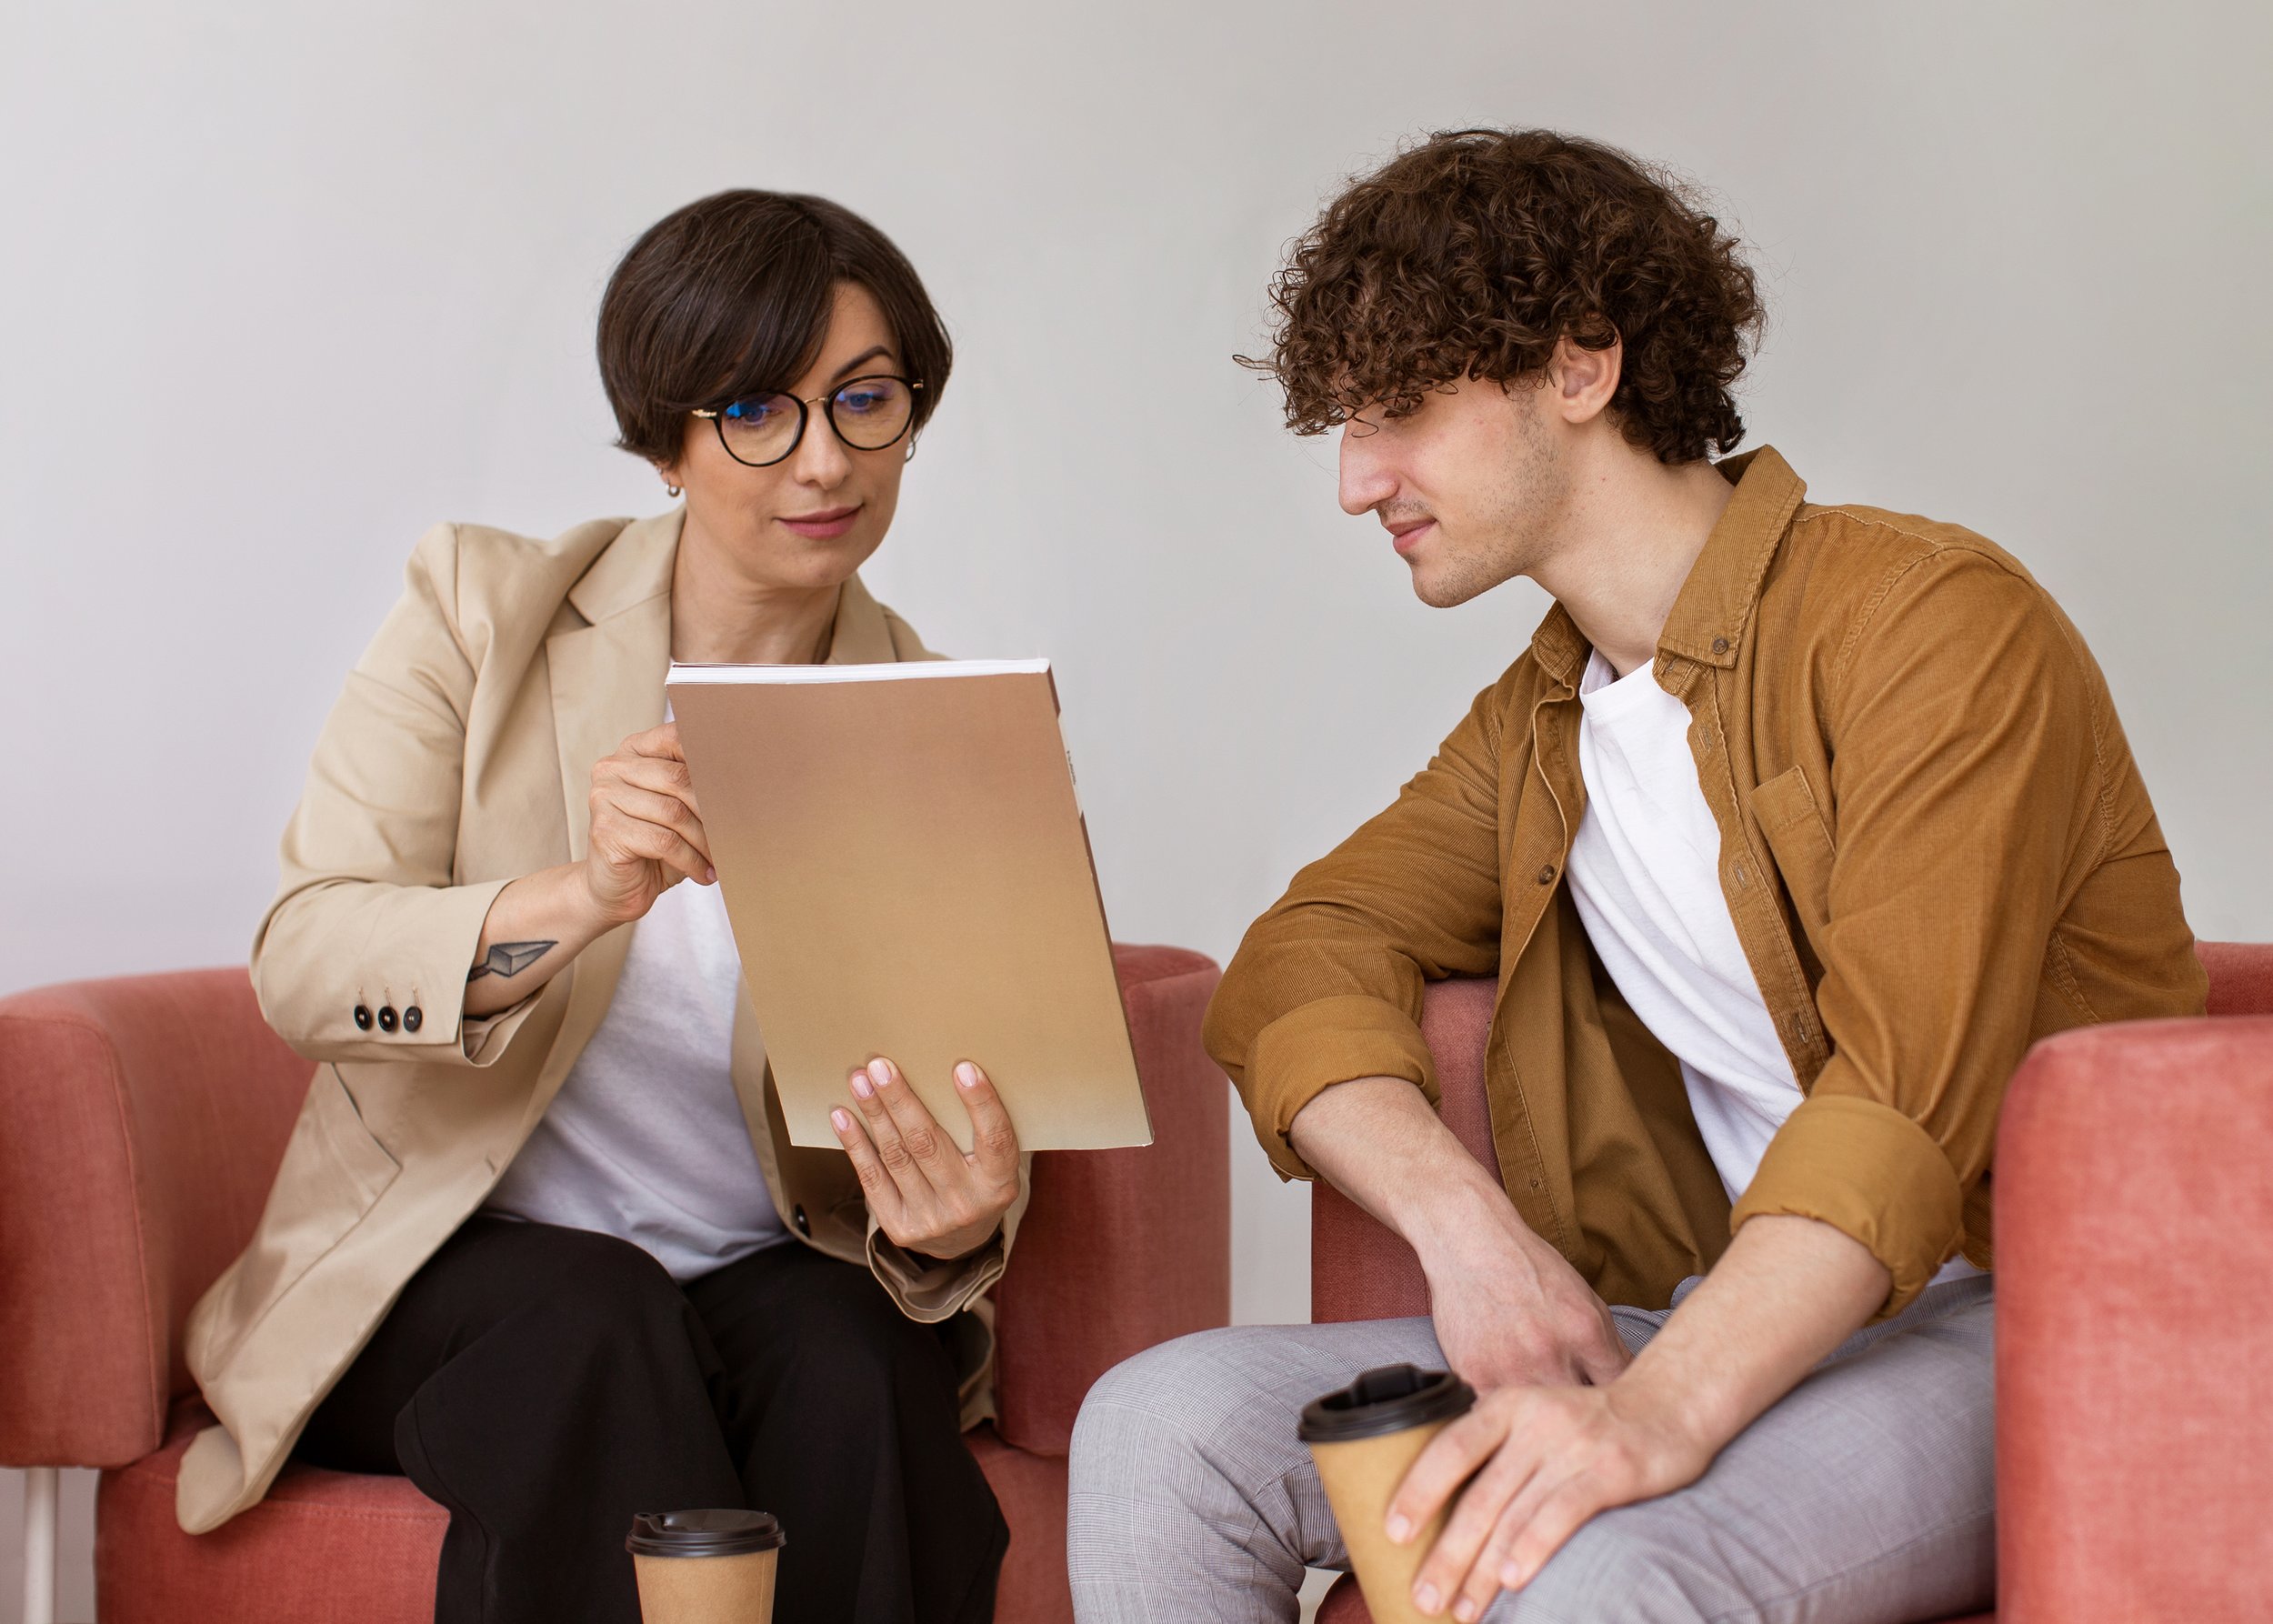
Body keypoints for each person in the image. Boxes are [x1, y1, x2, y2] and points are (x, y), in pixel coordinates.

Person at [1067, 129, 2205, 1622]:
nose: (1356, 481)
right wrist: (1472, 1239)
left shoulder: (1935, 628)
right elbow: (1305, 947)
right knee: (1156, 1432)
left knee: (1593, 1563)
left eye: (1399, 408)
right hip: (1711, 1298)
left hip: (2020, 1314)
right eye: (1344, 423)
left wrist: (1652, 1416)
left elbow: (1902, 1104)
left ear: (1583, 364)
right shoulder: (1544, 720)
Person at [182, 189, 1024, 1624]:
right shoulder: (480, 613)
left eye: (866, 401)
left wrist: (952, 1226)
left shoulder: (938, 734)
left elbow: (966, 1113)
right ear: (664, 441)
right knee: (591, 1319)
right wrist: (581, 893)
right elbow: (307, 960)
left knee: (865, 1352)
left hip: (757, 1275)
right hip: (449, 1275)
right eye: (759, 409)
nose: (825, 460)